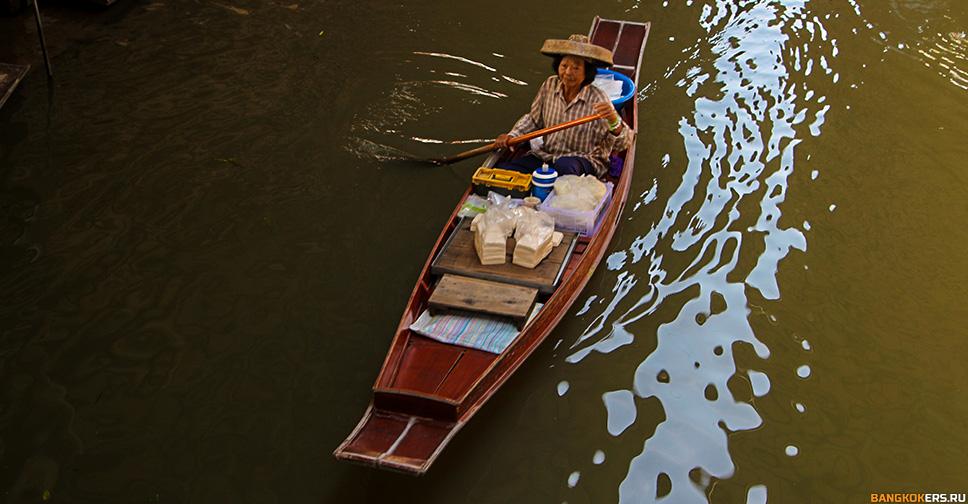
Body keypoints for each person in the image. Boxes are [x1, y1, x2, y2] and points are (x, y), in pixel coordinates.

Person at [494, 34, 633, 178]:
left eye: (576, 68)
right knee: (505, 171)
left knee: (564, 166)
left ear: (586, 73)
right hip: (547, 156)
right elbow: (534, 120)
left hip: (583, 160)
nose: (568, 72)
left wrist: (613, 120)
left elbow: (623, 143)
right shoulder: (549, 85)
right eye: (564, 66)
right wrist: (512, 136)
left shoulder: (598, 98)